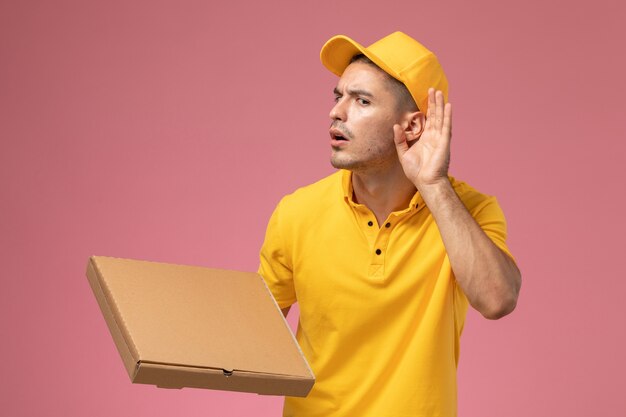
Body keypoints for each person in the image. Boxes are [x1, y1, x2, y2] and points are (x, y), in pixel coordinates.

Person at [258, 31, 521, 417]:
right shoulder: (297, 211)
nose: (337, 112)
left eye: (361, 101)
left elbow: (498, 300)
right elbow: (250, 336)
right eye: (338, 96)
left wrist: (434, 185)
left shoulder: (469, 211)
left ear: (411, 127)